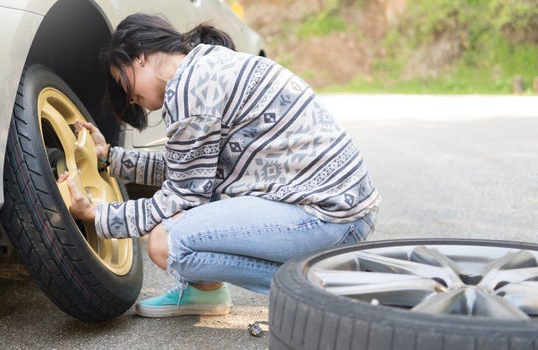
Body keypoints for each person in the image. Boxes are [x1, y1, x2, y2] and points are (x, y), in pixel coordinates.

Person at [57, 13, 380, 318]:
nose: (128, 99)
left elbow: (181, 197)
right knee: (181, 221)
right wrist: (110, 158)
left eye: (121, 80)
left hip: (328, 217)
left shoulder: (188, 90)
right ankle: (207, 292)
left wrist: (98, 215)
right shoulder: (203, 66)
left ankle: (324, 283)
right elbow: (188, 170)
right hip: (345, 209)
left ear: (139, 56)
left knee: (167, 242)